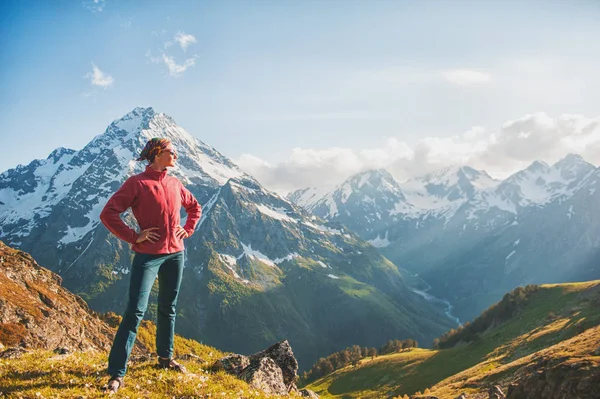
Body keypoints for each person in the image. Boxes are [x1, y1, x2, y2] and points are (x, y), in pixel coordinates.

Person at [99, 138, 202, 393]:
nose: (175, 155)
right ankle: (116, 373)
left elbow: (194, 207)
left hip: (175, 254)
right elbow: (108, 213)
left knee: (169, 307)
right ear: (157, 154)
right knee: (135, 311)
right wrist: (134, 236)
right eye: (171, 151)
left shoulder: (175, 183)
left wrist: (187, 230)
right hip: (148, 256)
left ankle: (165, 359)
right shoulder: (136, 183)